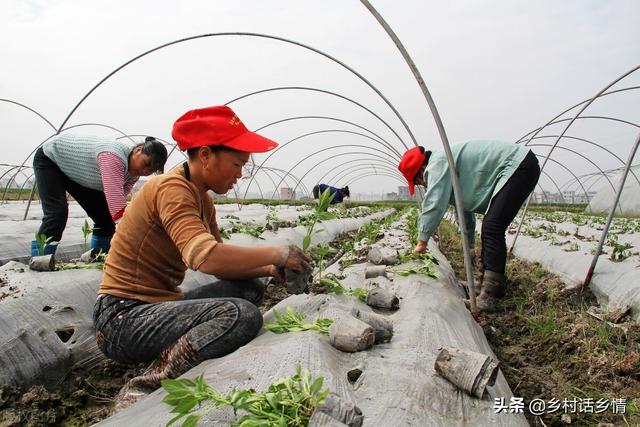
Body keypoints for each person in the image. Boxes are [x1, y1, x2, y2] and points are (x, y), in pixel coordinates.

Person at [92, 105, 311, 410]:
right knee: (242, 316)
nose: (240, 174)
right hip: (123, 318)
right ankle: (147, 382)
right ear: (206, 155)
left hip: (156, 308)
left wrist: (269, 268)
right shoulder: (172, 189)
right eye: (237, 164)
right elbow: (205, 258)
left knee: (251, 288)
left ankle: (170, 353)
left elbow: (222, 264)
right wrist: (279, 251)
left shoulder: (201, 197)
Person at [398, 140, 540, 312]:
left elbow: (433, 203)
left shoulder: (438, 163)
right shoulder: (447, 165)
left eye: (419, 182)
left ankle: (490, 294)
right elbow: (463, 209)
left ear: (421, 170)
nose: (423, 185)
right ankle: (486, 285)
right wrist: (470, 243)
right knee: (491, 227)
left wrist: (422, 241)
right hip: (521, 166)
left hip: (518, 166)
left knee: (492, 227)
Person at [32, 134, 168, 256]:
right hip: (51, 160)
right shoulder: (113, 156)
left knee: (105, 219)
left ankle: (98, 257)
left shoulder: (133, 174)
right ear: (138, 150)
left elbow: (117, 200)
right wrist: (132, 239)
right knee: (57, 212)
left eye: (150, 170)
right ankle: (40, 258)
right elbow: (117, 206)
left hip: (76, 173)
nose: (144, 171)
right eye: (145, 164)